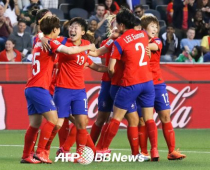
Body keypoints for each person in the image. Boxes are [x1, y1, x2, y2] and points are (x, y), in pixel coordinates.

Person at [21, 16, 96, 164]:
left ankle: (26, 155)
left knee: (35, 124)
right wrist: (88, 47)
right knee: (54, 120)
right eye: (58, 30)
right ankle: (41, 152)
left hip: (30, 87)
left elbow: (41, 36)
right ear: (55, 30)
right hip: (40, 87)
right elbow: (68, 50)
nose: (60, 33)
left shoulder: (39, 42)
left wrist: (42, 36)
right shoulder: (52, 42)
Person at [96, 8, 159, 161]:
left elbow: (110, 67)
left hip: (130, 83)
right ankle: (153, 152)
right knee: (148, 119)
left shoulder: (120, 41)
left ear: (122, 25)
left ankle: (101, 149)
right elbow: (149, 47)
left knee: (116, 118)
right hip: (148, 83)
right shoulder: (143, 35)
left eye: (117, 23)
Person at [53, 18, 107, 162]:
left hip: (79, 91)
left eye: (76, 27)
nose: (72, 29)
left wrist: (113, 70)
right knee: (57, 123)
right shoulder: (63, 43)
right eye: (71, 27)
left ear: (82, 32)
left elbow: (96, 66)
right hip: (63, 88)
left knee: (82, 123)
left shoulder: (85, 47)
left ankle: (78, 153)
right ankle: (42, 150)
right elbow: (45, 37)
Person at [141, 15, 186, 160]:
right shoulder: (138, 42)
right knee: (143, 120)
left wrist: (142, 45)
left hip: (157, 83)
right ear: (144, 28)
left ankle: (171, 151)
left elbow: (153, 46)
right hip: (141, 83)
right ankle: (146, 151)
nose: (155, 29)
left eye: (156, 27)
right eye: (151, 26)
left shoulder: (157, 41)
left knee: (165, 116)